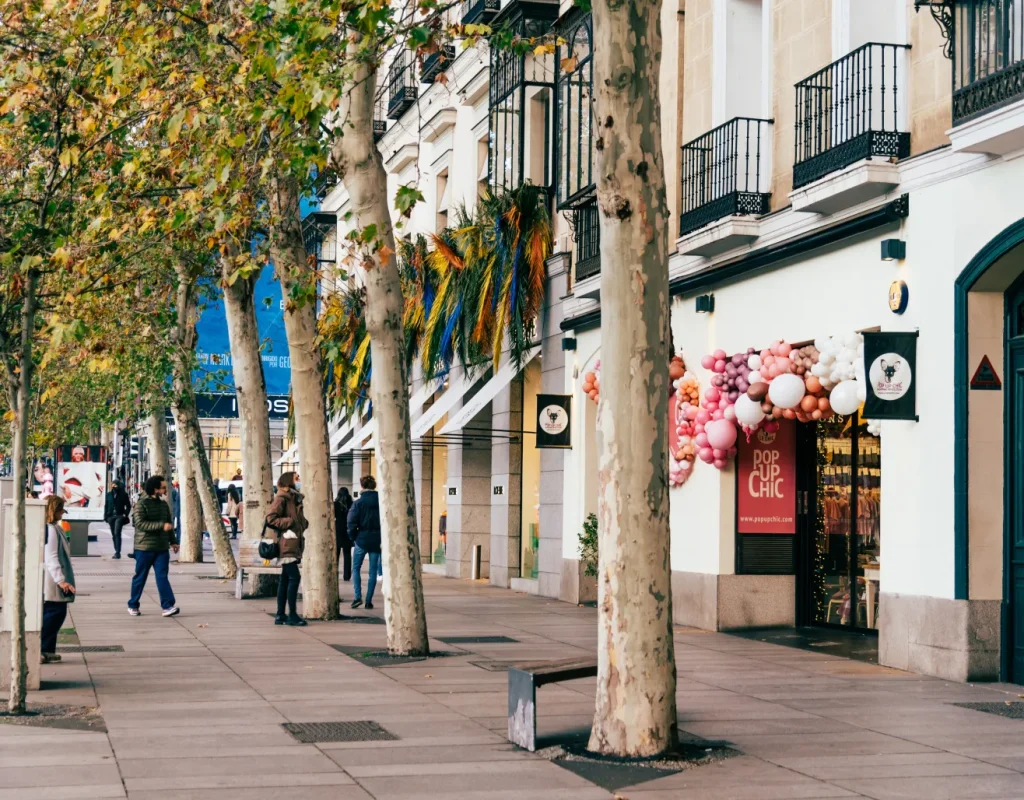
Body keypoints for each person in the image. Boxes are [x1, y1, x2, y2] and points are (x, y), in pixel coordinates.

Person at [128, 475, 179, 618]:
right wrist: (161, 526)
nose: (165, 489)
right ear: (155, 489)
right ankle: (133, 604)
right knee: (140, 577)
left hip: (162, 548)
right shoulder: (141, 504)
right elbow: (140, 524)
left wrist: (173, 541)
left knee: (162, 576)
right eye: (163, 487)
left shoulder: (163, 505)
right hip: (144, 548)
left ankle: (168, 605)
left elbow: (169, 524)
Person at [266, 472, 308, 626]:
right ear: (289, 481)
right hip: (286, 544)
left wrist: (303, 523)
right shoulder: (282, 498)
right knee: (294, 578)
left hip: (292, 542)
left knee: (285, 579)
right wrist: (290, 522)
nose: (299, 480)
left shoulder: (294, 498)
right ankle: (292, 615)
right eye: (297, 478)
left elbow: (299, 520)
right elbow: (271, 518)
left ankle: (280, 614)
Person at [41, 495, 76, 664]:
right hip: (52, 579)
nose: (63, 513)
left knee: (52, 612)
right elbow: (51, 556)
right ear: (54, 510)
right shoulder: (51, 529)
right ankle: (41, 648)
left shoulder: (51, 527)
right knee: (56, 612)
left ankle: (47, 650)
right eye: (61, 509)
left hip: (51, 577)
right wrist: (61, 580)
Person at [347, 475, 381, 610]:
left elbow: (351, 522)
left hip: (361, 538)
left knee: (356, 568)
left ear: (362, 486)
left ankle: (357, 597)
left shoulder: (358, 503)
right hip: (377, 538)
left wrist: (353, 537)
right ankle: (369, 600)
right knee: (373, 571)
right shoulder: (382, 502)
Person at [104, 478, 131, 560]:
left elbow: (128, 506)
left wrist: (125, 514)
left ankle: (118, 552)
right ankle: (116, 550)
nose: (114, 486)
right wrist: (106, 517)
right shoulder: (108, 495)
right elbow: (106, 506)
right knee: (113, 534)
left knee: (117, 533)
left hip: (119, 516)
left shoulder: (124, 494)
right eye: (113, 485)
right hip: (111, 516)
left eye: (115, 485)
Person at [334, 487, 353, 583]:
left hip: (337, 530)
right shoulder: (351, 504)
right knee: (347, 554)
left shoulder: (335, 504)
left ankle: (334, 573)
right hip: (347, 530)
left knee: (335, 554)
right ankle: (347, 575)